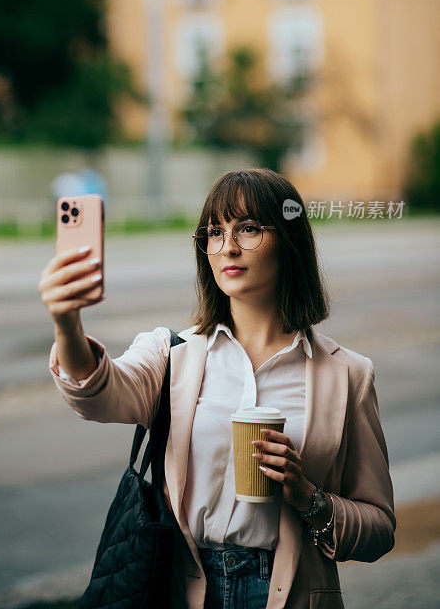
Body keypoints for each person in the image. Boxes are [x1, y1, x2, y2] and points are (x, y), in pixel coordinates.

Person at [38, 168, 396, 609]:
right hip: (185, 586)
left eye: (248, 228)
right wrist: (66, 322)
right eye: (214, 231)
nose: (227, 246)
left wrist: (308, 496)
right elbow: (97, 393)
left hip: (291, 593)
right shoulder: (172, 353)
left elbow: (379, 529)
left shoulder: (349, 375)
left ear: (289, 240)